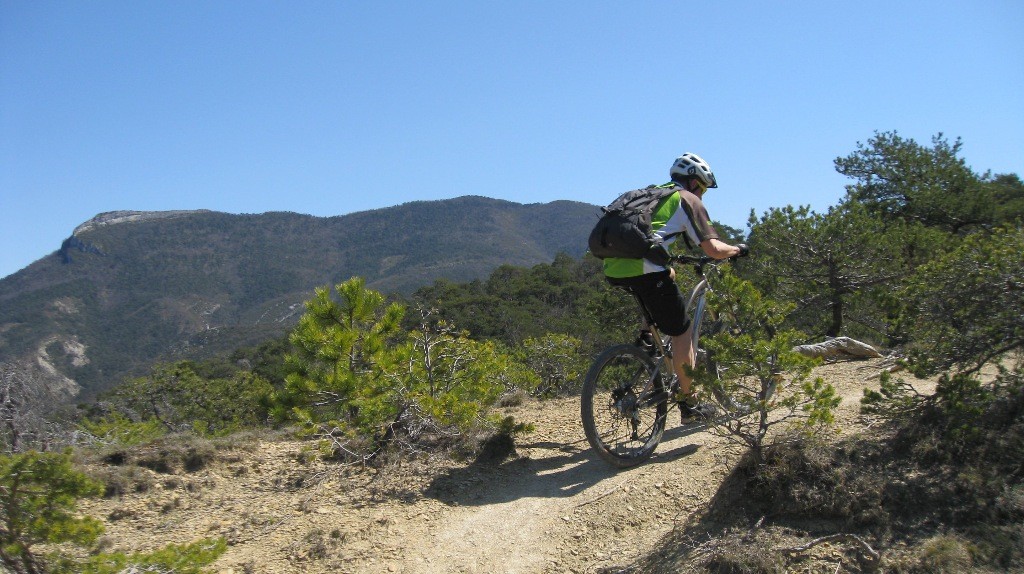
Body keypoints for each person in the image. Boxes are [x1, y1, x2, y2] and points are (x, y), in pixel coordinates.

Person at [603, 152, 747, 422]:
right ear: (694, 183)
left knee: (663, 278)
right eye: (703, 188)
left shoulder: (650, 194)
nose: (703, 194)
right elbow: (713, 249)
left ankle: (647, 340)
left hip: (613, 268)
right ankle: (690, 405)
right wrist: (738, 249)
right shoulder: (687, 199)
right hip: (644, 269)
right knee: (683, 333)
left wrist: (668, 261)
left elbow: (649, 236)